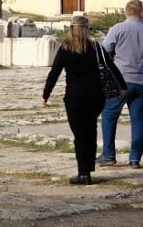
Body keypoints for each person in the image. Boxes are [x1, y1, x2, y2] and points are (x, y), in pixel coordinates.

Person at [42, 15, 127, 185]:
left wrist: (46, 94)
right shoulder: (96, 47)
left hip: (74, 97)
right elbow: (111, 66)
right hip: (95, 96)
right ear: (86, 29)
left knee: (79, 135)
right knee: (90, 131)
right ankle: (89, 169)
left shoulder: (65, 48)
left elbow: (54, 73)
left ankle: (83, 173)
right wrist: (122, 87)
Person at [97, 0, 143, 168]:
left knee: (109, 116)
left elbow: (104, 51)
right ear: (141, 12)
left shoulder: (118, 28)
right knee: (138, 120)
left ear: (126, 12)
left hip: (121, 79)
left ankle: (108, 154)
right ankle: (135, 158)